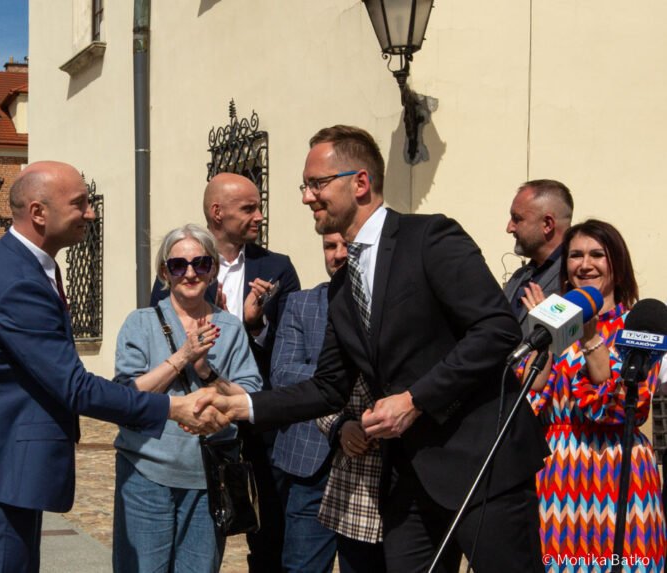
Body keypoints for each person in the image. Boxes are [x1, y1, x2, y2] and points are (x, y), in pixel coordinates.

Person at [198, 125, 548, 572]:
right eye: (305, 186)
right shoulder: (343, 286)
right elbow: (328, 387)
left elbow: (497, 329)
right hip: (408, 480)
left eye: (317, 184)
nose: (306, 197)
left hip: (482, 465)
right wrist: (242, 405)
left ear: (360, 182)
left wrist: (415, 399)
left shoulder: (430, 237)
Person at [0, 161, 228, 573]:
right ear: (39, 213)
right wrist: (172, 408)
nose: (90, 212)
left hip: (1, 463)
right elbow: (75, 387)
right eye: (79, 203)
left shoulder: (20, 264)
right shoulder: (18, 280)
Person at [151, 172, 301, 571]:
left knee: (269, 528)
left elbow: (291, 347)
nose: (259, 216)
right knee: (200, 526)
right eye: (249, 208)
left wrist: (252, 325)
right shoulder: (183, 267)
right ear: (217, 212)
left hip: (258, 419)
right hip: (201, 421)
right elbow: (163, 339)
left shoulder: (278, 268)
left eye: (258, 207)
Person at [112, 223, 262, 573]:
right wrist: (183, 356)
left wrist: (206, 370)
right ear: (165, 272)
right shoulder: (140, 323)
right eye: (178, 265)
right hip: (146, 471)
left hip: (209, 476)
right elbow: (126, 397)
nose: (190, 273)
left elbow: (249, 397)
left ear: (212, 270)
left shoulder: (230, 327)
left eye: (201, 263)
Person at [519, 219, 666, 569]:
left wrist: (589, 336)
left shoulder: (638, 325)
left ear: (618, 265)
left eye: (597, 254)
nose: (585, 264)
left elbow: (620, 406)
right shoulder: (550, 322)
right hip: (558, 478)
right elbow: (529, 393)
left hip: (621, 472)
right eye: (575, 255)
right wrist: (547, 330)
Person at [270, 233, 347, 573]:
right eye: (330, 246)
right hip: (310, 461)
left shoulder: (389, 305)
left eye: (347, 246)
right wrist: (345, 374)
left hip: (370, 460)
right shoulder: (302, 304)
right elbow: (283, 373)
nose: (338, 254)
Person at [315, 369, 383, 573]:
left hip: (414, 485)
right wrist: (340, 427)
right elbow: (321, 397)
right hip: (355, 493)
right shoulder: (347, 349)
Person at [503, 179, 574, 323]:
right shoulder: (519, 276)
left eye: (517, 219)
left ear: (547, 224)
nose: (509, 228)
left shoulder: (575, 275)